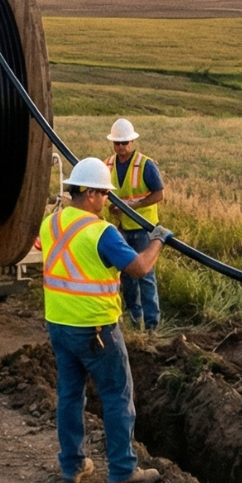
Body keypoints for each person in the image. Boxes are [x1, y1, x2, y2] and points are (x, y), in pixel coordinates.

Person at [43, 157, 173, 483]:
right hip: (96, 330)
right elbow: (140, 268)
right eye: (103, 194)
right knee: (116, 396)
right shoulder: (102, 232)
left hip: (59, 324)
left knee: (70, 396)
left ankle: (71, 466)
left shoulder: (51, 223)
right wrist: (158, 239)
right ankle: (122, 471)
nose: (106, 201)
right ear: (88, 193)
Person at [102, 118, 165, 331]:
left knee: (146, 278)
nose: (121, 147)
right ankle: (134, 319)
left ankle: (151, 326)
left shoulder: (146, 165)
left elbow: (159, 194)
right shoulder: (107, 165)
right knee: (127, 278)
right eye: (117, 143)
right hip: (121, 229)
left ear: (132, 142)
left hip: (143, 230)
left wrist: (133, 206)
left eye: (124, 143)